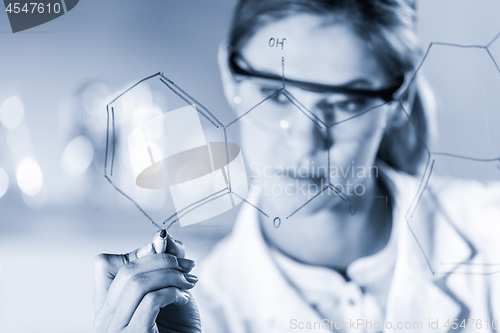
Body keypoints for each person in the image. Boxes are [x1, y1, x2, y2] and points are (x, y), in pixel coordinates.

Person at [93, 0, 500, 332]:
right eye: (277, 95)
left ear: (400, 101)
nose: (305, 142)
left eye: (345, 103)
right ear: (230, 75)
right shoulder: (196, 316)